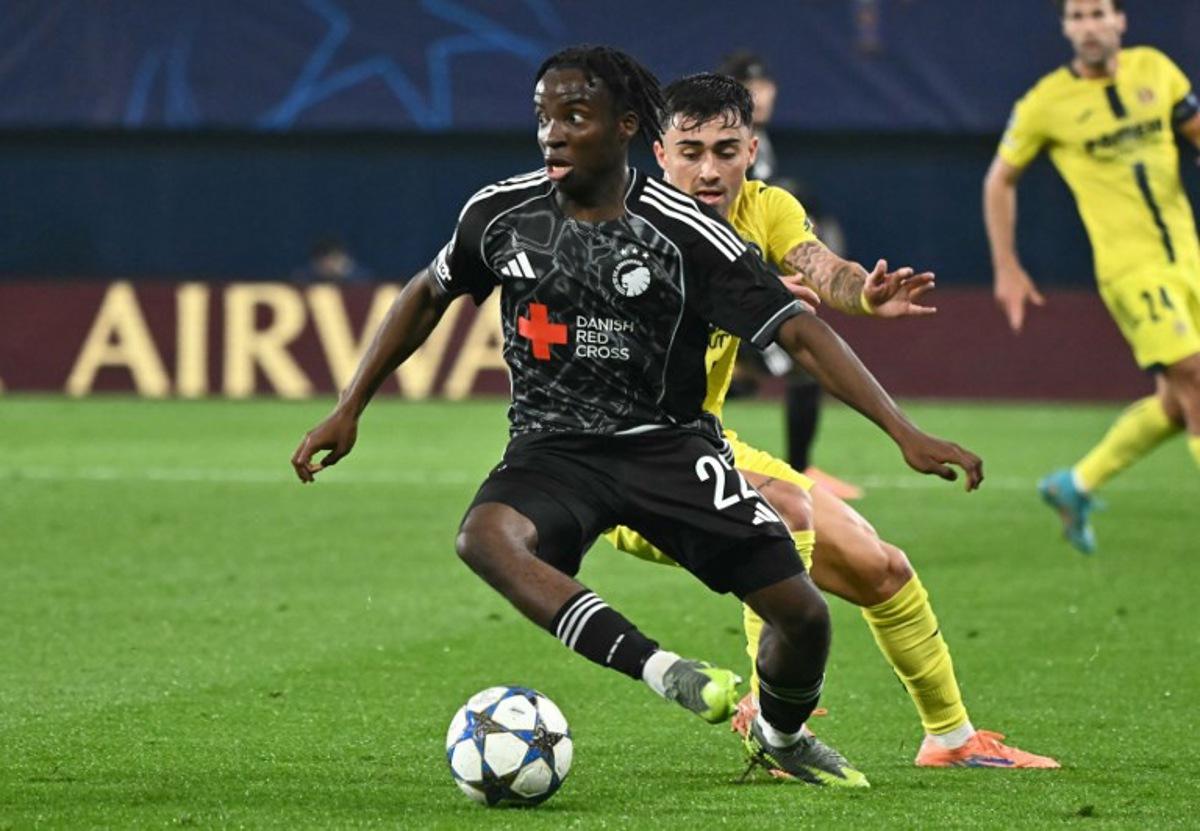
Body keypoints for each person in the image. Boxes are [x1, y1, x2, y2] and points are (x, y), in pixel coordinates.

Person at [292, 45, 983, 788]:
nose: (552, 134)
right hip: (553, 448)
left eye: (574, 117)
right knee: (483, 537)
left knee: (808, 618)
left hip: (673, 450)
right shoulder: (500, 212)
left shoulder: (692, 233)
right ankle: (665, 671)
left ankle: (784, 732)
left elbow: (801, 328)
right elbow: (428, 292)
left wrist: (902, 429)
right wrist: (349, 405)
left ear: (625, 127)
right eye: (543, 117)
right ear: (659, 145)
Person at [604, 71, 1057, 771]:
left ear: (751, 149)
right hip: (626, 466)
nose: (708, 168)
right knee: (782, 509)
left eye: (726, 149)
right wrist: (730, 293)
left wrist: (865, 295)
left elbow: (823, 270)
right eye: (690, 150)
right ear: (658, 154)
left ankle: (951, 738)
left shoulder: (767, 209)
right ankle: (772, 715)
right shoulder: (620, 226)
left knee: (883, 568)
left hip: (708, 443)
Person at [984, 0, 1200, 554]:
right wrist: (1007, 266)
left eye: (1098, 12)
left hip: (1188, 257)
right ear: (1065, 28)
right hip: (1131, 270)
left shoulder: (1158, 69)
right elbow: (1000, 181)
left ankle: (1074, 485)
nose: (1089, 25)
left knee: (1177, 404)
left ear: (1120, 21)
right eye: (1077, 16)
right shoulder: (1045, 103)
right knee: (1195, 377)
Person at [718, 51, 863, 500]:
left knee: (785, 368)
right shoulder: (727, 145)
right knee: (803, 365)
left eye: (764, 87)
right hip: (726, 285)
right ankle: (800, 472)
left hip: (746, 284)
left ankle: (796, 468)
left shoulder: (760, 143)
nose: (759, 96)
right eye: (748, 87)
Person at [291, 235, 374, 283]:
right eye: (325, 260)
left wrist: (347, 273)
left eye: (334, 259)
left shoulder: (359, 277)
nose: (330, 264)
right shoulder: (304, 277)